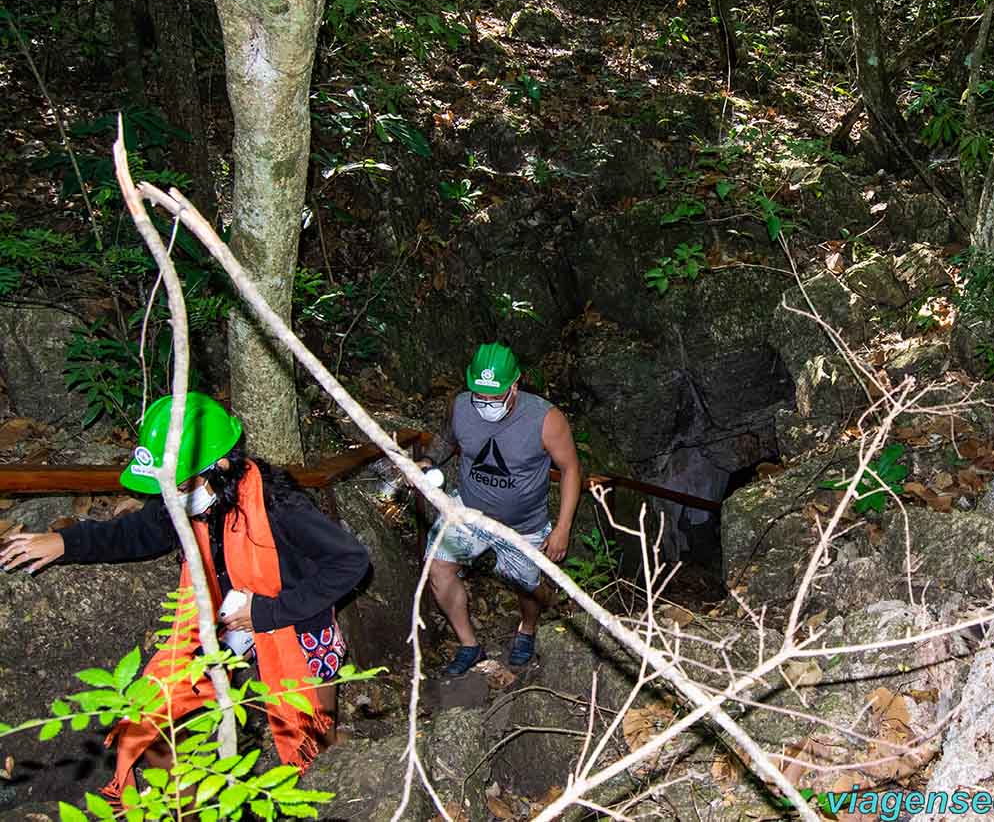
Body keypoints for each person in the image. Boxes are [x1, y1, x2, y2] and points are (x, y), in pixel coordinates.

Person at [0, 393, 369, 802]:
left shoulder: (280, 507)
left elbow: (350, 561)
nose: (171, 496)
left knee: (313, 738)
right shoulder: (185, 500)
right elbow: (135, 532)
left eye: (177, 484)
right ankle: (190, 805)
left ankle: (334, 766)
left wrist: (267, 612)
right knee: (158, 718)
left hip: (296, 621)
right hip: (220, 621)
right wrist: (64, 542)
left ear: (220, 468)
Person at [420, 342, 581, 675]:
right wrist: (428, 459)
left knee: (526, 585)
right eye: (480, 395)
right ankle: (469, 645)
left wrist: (562, 528)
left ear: (515, 384)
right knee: (438, 570)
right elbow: (448, 438)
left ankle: (528, 628)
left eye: (495, 397)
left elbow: (570, 469)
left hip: (523, 523)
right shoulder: (463, 406)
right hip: (468, 510)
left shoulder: (546, 419)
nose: (486, 404)